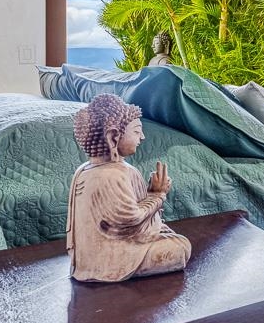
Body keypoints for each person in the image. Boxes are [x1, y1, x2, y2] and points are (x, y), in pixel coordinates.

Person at [66, 93, 191, 282]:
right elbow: (131, 219)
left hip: (89, 256)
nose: (142, 137)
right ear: (113, 137)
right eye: (136, 131)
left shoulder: (82, 170)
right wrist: (158, 195)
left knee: (167, 235)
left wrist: (149, 197)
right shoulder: (113, 174)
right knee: (181, 247)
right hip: (112, 259)